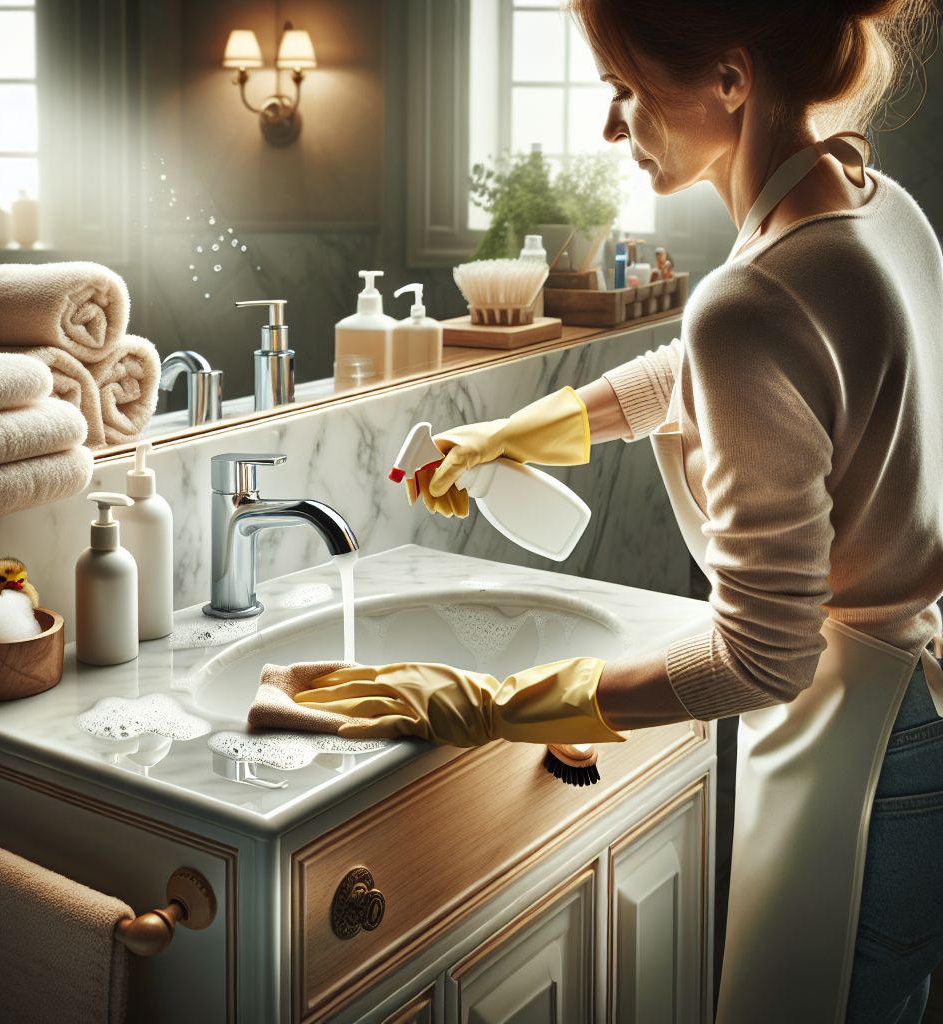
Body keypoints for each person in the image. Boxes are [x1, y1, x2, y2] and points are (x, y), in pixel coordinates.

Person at [290, 1, 943, 1020]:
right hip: (918, 707)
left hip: (859, 748)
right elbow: (730, 372)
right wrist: (525, 428)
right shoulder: (871, 206)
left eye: (626, 92)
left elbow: (762, 658)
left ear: (730, 78)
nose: (610, 127)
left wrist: (490, 703)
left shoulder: (755, 297)